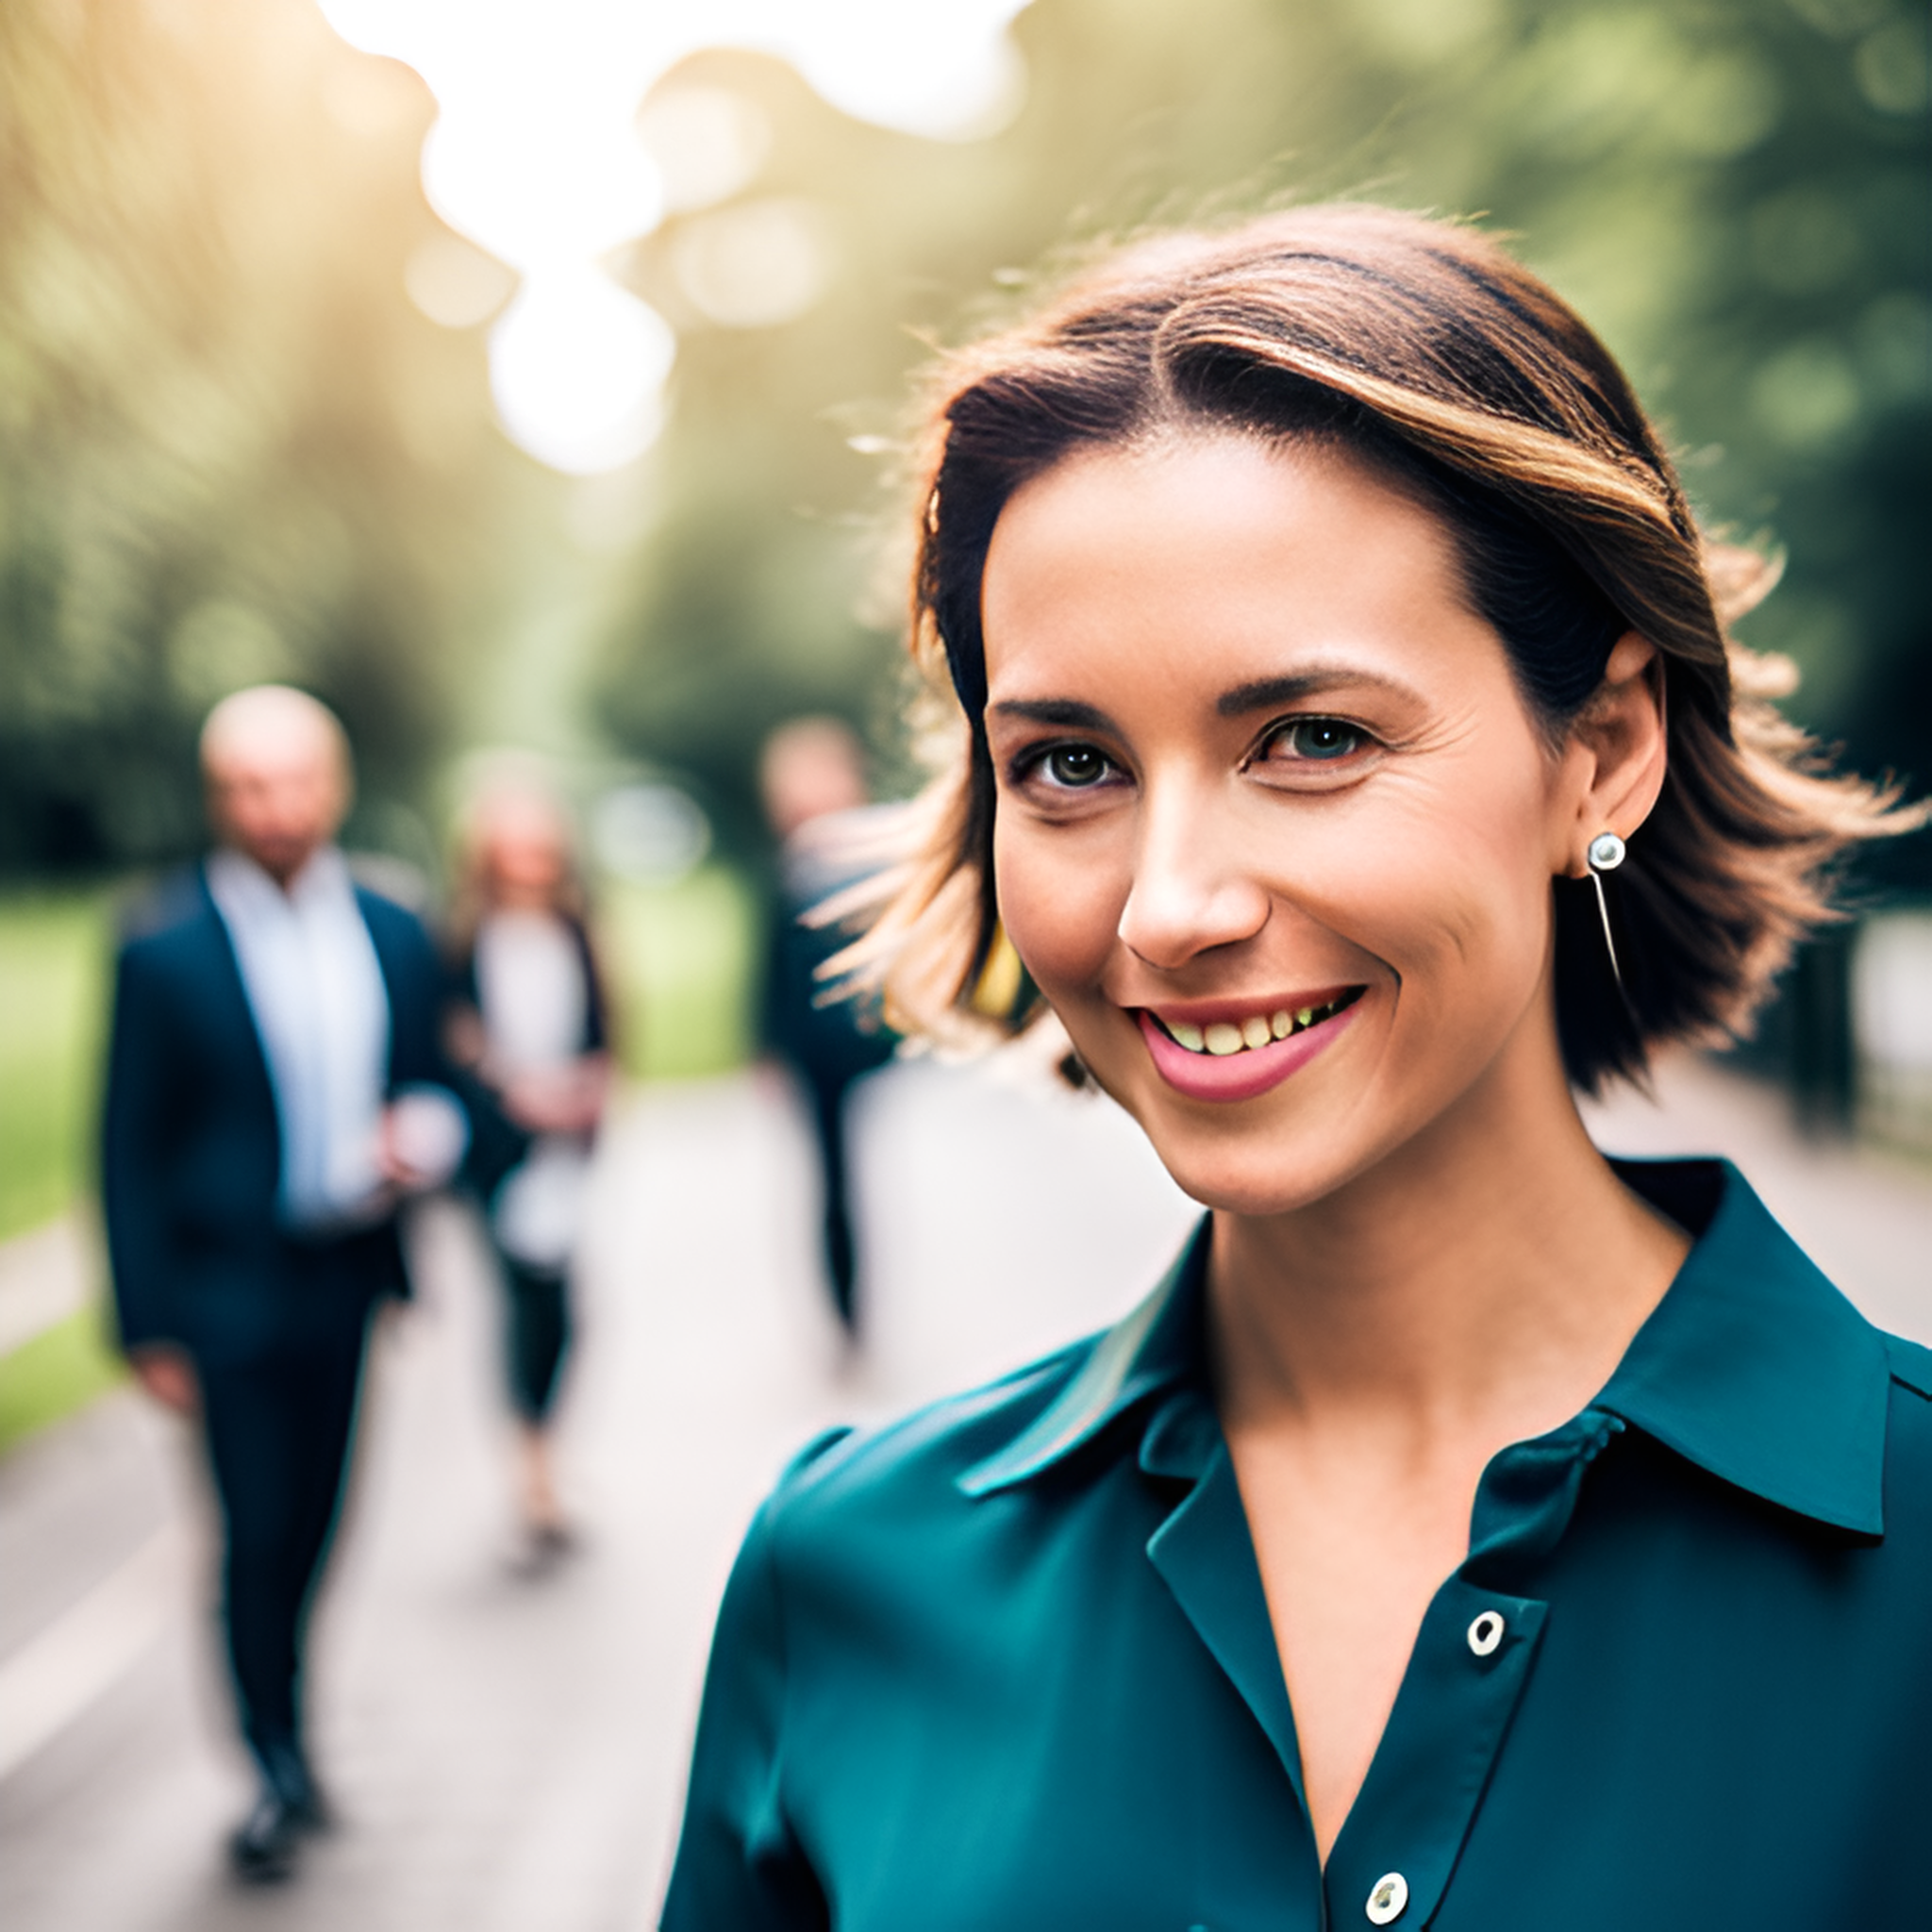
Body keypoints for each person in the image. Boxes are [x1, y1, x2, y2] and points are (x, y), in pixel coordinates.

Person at [661, 207, 1930, 1928]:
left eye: (1311, 738)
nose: (1171, 909)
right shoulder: (845, 1578)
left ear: (1604, 755)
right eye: (1068, 765)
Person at [102, 685, 464, 1883]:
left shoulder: (391, 924)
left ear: (334, 784)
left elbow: (430, 1081)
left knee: (318, 1519)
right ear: (221, 798)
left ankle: (289, 1715)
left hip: (345, 1277)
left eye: (294, 782)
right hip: (225, 1290)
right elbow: (127, 1143)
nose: (275, 809)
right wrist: (146, 1322)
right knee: (253, 1530)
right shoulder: (160, 943)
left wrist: (428, 1136)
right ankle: (270, 1758)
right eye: (249, 788)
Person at [443, 780, 610, 1564]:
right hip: (500, 1155)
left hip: (565, 1152)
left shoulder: (576, 932)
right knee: (525, 1303)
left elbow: (603, 1027)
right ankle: (531, 1468)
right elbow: (454, 1046)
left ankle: (544, 1449)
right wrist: (515, 1095)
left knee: (565, 1310)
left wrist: (589, 1089)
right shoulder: (463, 942)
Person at [758, 718, 898, 1335]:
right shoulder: (793, 866)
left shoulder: (862, 857)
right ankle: (847, 1311)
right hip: (815, 1053)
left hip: (866, 1046)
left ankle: (858, 1308)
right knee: (834, 1187)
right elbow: (771, 969)